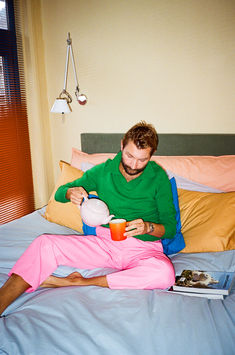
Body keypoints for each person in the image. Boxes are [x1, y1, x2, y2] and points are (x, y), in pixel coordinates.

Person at [0, 121, 176, 316]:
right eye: (129, 155)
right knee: (44, 244)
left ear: (151, 155)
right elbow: (60, 193)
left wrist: (148, 227)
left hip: (143, 250)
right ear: (121, 146)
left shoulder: (158, 177)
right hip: (105, 244)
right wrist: (70, 194)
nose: (133, 165)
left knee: (165, 274)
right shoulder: (102, 172)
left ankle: (78, 281)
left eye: (142, 160)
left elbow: (170, 228)